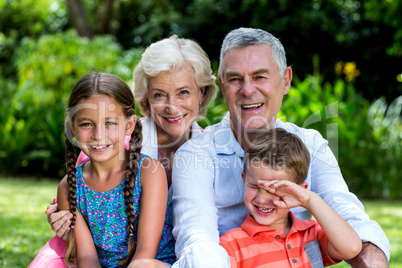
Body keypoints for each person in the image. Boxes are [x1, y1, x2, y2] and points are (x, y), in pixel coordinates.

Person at [171, 27, 390, 267]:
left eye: (259, 77)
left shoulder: (310, 144)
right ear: (223, 86)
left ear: (285, 81)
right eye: (235, 79)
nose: (247, 90)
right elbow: (198, 240)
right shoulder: (196, 154)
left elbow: (352, 220)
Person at [29, 36, 216, 267]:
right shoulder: (106, 148)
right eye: (159, 94)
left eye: (184, 92)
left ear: (203, 93)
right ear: (145, 98)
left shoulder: (215, 151)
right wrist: (61, 214)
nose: (172, 106)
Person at [59, 72, 175, 267]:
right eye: (87, 124)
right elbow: (87, 260)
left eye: (110, 123)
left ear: (129, 125)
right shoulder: (68, 187)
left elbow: (146, 251)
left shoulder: (149, 172)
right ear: (73, 128)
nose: (98, 135)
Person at [219, 128, 362, 267]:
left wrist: (309, 200)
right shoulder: (231, 245)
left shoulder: (312, 234)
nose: (262, 199)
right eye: (255, 187)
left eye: (275, 190)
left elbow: (351, 248)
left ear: (300, 190)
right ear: (244, 179)